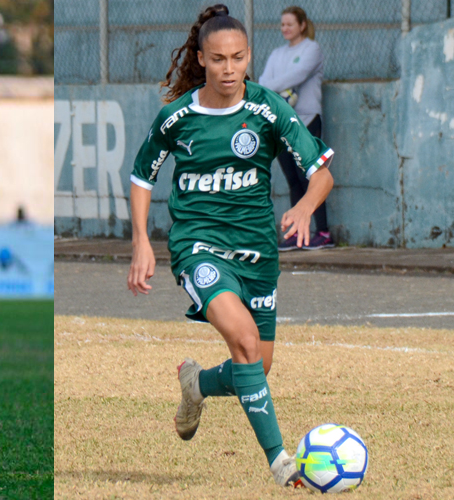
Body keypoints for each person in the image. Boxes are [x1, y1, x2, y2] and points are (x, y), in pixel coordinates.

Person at [126, 4, 334, 486]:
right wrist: (141, 241)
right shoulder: (176, 117)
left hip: (259, 254)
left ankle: (196, 384)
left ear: (248, 56)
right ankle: (281, 463)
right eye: (218, 59)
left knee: (257, 367)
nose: (229, 69)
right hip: (199, 247)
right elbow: (141, 177)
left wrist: (304, 208)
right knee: (242, 341)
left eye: (238, 58)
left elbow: (321, 175)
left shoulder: (267, 108)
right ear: (201, 59)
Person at [259, 6, 333, 251]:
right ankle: (295, 235)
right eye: (282, 24)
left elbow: (297, 75)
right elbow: (261, 82)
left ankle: (322, 233)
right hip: (281, 123)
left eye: (290, 24)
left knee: (312, 177)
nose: (285, 28)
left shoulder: (312, 48)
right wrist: (271, 88)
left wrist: (271, 88)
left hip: (307, 120)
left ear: (302, 25)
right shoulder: (276, 54)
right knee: (293, 180)